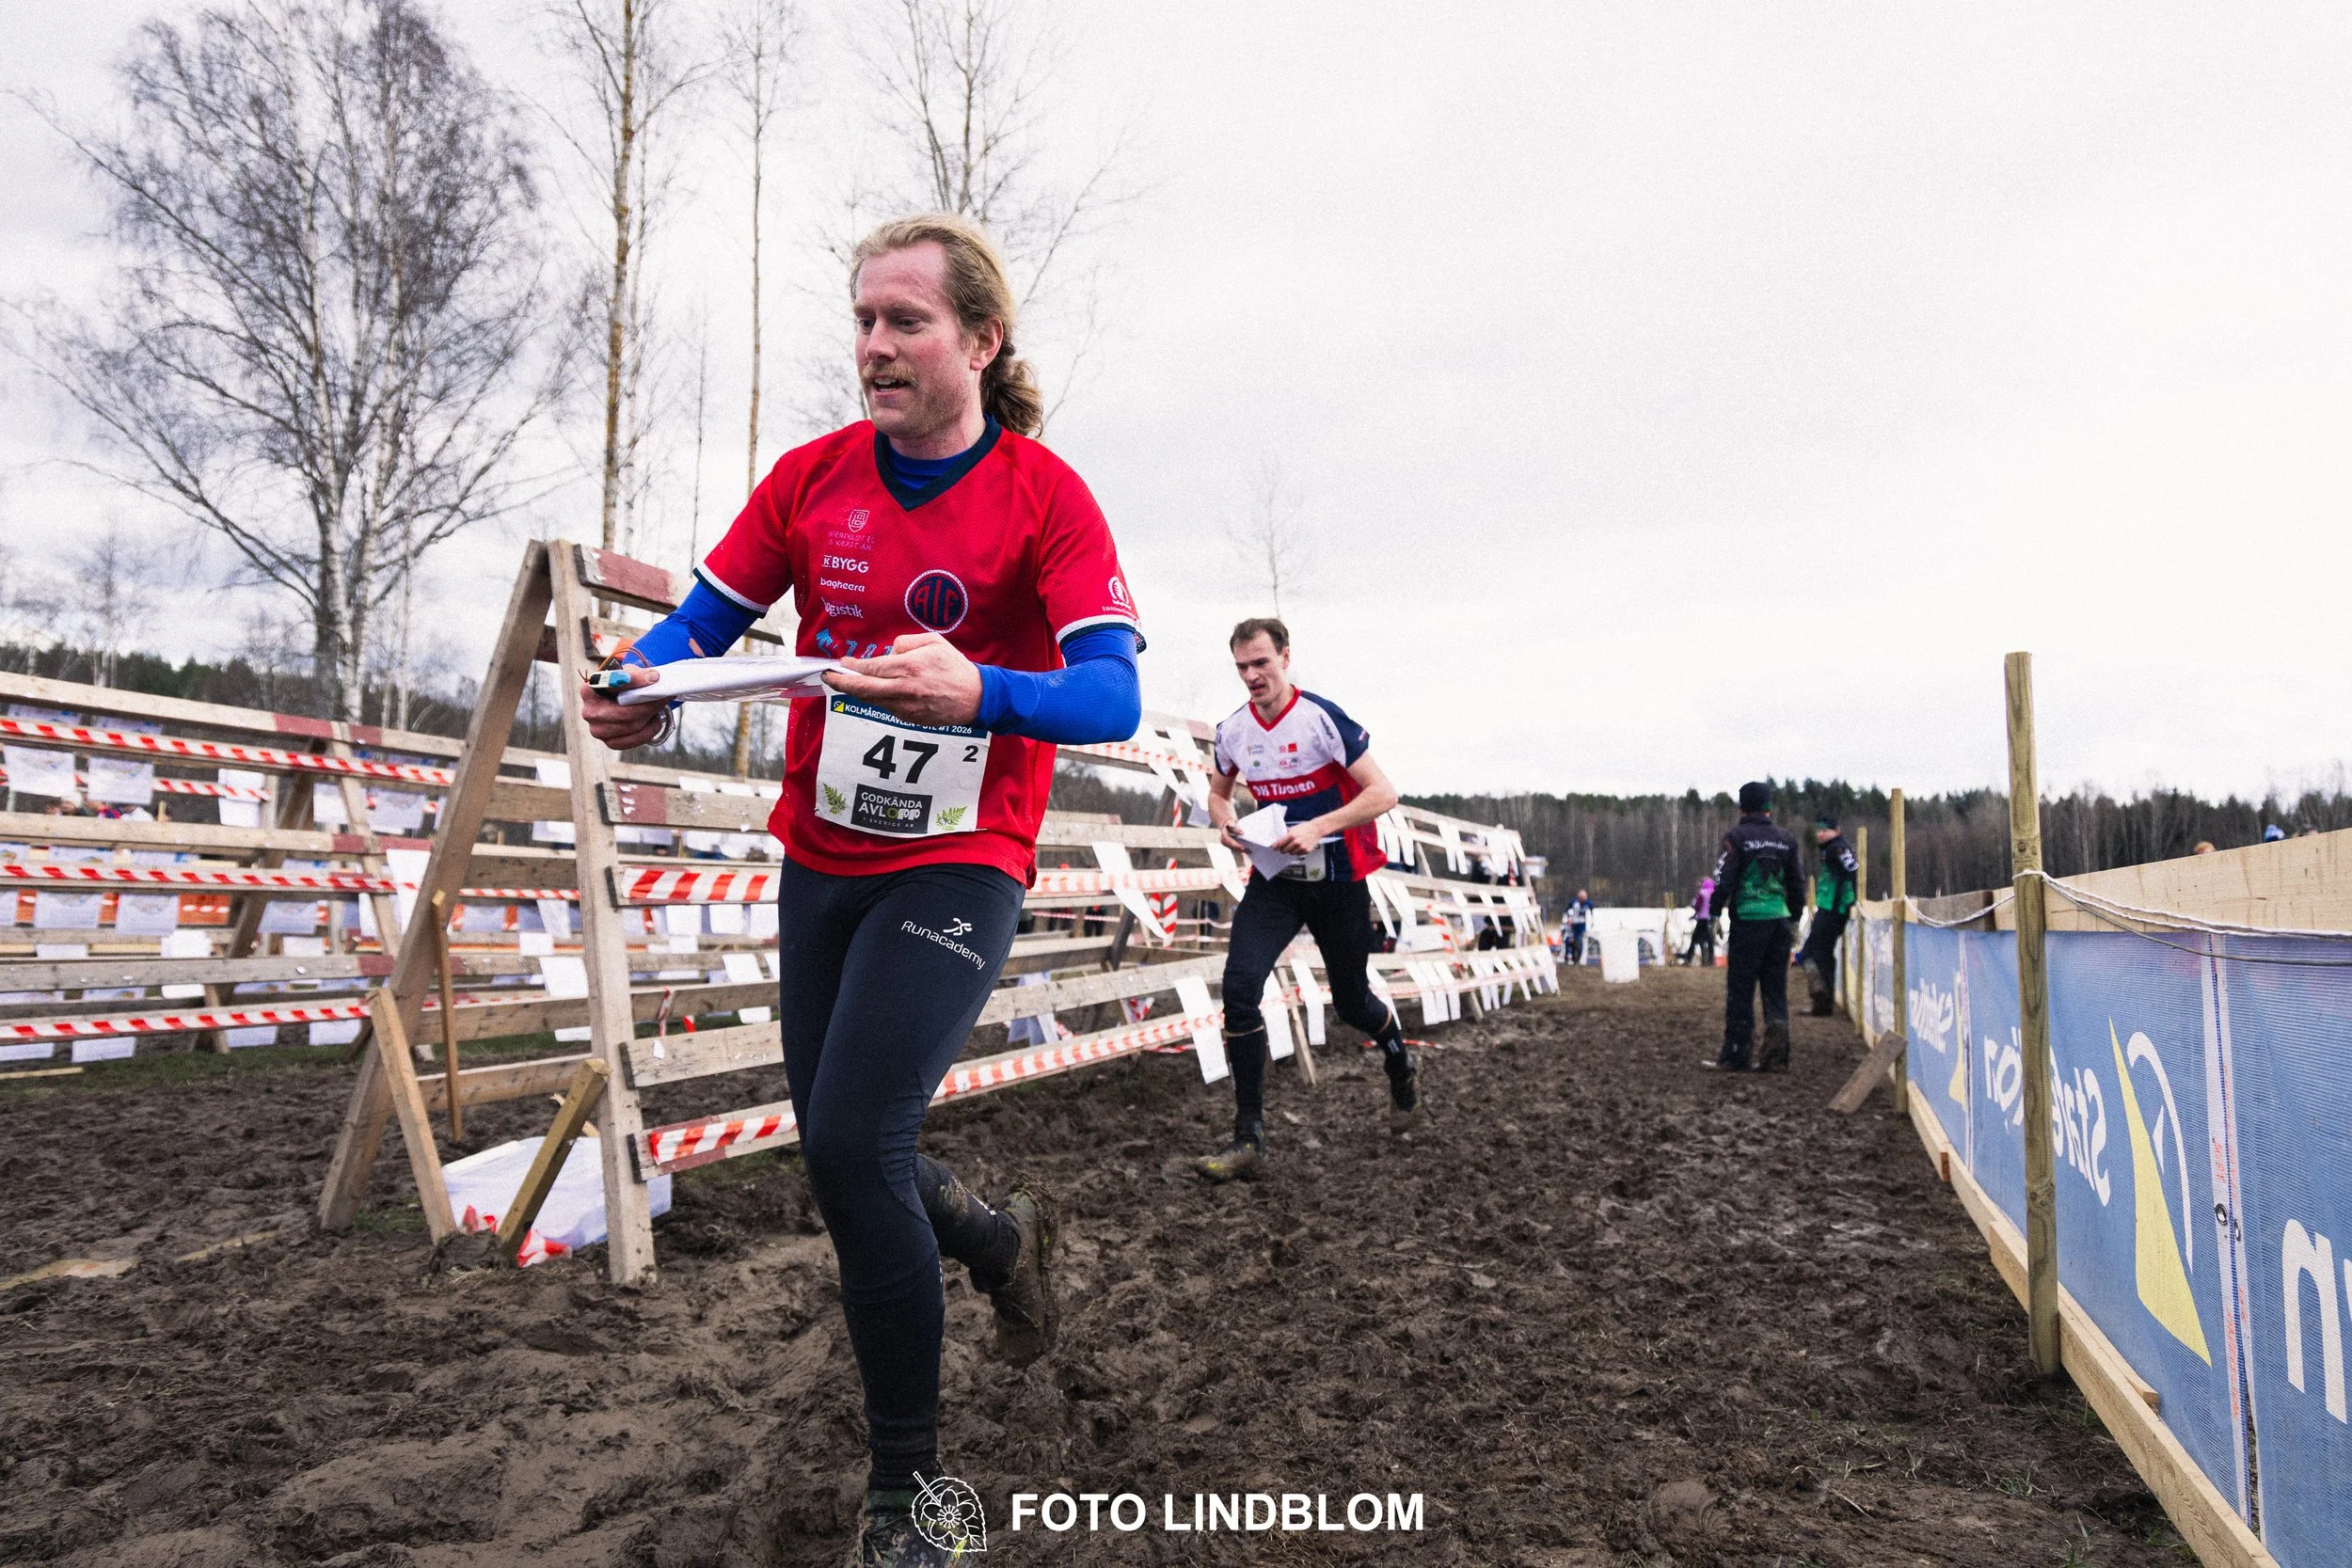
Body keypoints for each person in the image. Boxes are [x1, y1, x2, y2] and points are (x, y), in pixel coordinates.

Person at [581, 214, 1142, 1568]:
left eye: (906, 323)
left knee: (851, 1140)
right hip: (822, 853)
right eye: (864, 321)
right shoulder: (812, 478)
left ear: (980, 342)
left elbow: (1113, 693)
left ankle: (911, 1496)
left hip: (959, 858)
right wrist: (636, 684)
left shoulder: (1046, 498)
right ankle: (994, 1239)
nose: (875, 348)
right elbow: (701, 626)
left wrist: (982, 687)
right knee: (849, 1152)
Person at [1197, 617, 1412, 1180]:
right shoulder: (1234, 730)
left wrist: (1320, 826)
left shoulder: (1320, 718)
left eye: (1261, 663)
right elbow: (1218, 794)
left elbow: (1383, 793)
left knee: (1351, 1002)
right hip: (1277, 879)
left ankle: (1398, 1058)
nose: (1251, 676)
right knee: (1240, 988)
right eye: (1242, 667)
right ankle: (1249, 1138)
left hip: (1339, 878)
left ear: (1286, 658)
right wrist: (1226, 822)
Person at [1705, 782, 1804, 1072]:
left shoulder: (1736, 838)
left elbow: (1724, 878)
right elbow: (1796, 883)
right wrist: (1795, 919)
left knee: (1741, 989)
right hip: (1779, 922)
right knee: (1775, 989)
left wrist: (1713, 913)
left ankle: (1737, 1053)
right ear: (1769, 808)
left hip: (1749, 921)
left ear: (1742, 809)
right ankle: (1777, 1056)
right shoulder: (1786, 840)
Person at [1795, 814, 1860, 1015]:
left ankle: (1820, 994)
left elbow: (1853, 870)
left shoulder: (1837, 848)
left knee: (1807, 954)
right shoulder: (1832, 849)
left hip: (1832, 909)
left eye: (1825, 830)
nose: (1821, 834)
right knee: (1823, 955)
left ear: (1837, 831)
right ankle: (1824, 1003)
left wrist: (1844, 900)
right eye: (1819, 830)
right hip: (1831, 906)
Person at [1682, 877, 1717, 967]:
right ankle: (1710, 959)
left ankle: (1688, 958)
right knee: (1709, 940)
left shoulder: (1702, 893)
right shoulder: (1713, 893)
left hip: (1701, 918)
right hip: (1709, 918)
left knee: (1695, 938)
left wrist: (1696, 911)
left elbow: (1697, 906)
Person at [1563, 888, 1595, 964]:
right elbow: (1567, 912)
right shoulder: (1573, 903)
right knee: (1572, 942)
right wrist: (1568, 919)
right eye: (1581, 898)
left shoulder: (1589, 904)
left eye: (1584, 897)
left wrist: (1592, 923)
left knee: (1580, 942)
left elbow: (1593, 913)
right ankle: (1572, 958)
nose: (1583, 899)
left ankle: (1578, 958)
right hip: (1574, 924)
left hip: (1583, 925)